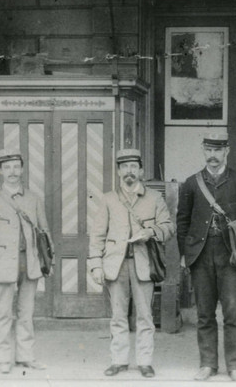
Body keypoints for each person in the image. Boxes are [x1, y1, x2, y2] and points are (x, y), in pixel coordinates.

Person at [176, 132, 236, 382]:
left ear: (227, 151)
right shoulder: (192, 183)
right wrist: (184, 254)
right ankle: (208, 364)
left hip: (232, 255)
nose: (213, 156)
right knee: (204, 312)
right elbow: (182, 221)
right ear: (203, 150)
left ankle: (235, 365)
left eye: (218, 150)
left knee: (233, 311)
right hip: (200, 255)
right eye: (209, 150)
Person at [88, 149, 174, 379]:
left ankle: (145, 361)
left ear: (141, 171)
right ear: (118, 171)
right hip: (115, 266)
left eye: (133, 167)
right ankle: (119, 360)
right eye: (124, 167)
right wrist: (96, 265)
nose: (129, 171)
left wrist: (151, 232)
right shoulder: (108, 199)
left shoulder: (155, 198)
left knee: (145, 315)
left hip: (144, 265)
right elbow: (97, 235)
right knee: (118, 315)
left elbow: (168, 227)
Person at [0, 148, 53, 374]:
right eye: (7, 167)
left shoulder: (34, 199)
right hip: (2, 267)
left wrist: (48, 261)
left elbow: (44, 232)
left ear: (22, 169)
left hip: (29, 264)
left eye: (16, 167)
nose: (12, 172)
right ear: (0, 171)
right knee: (3, 314)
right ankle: (2, 357)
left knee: (26, 313)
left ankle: (25, 356)